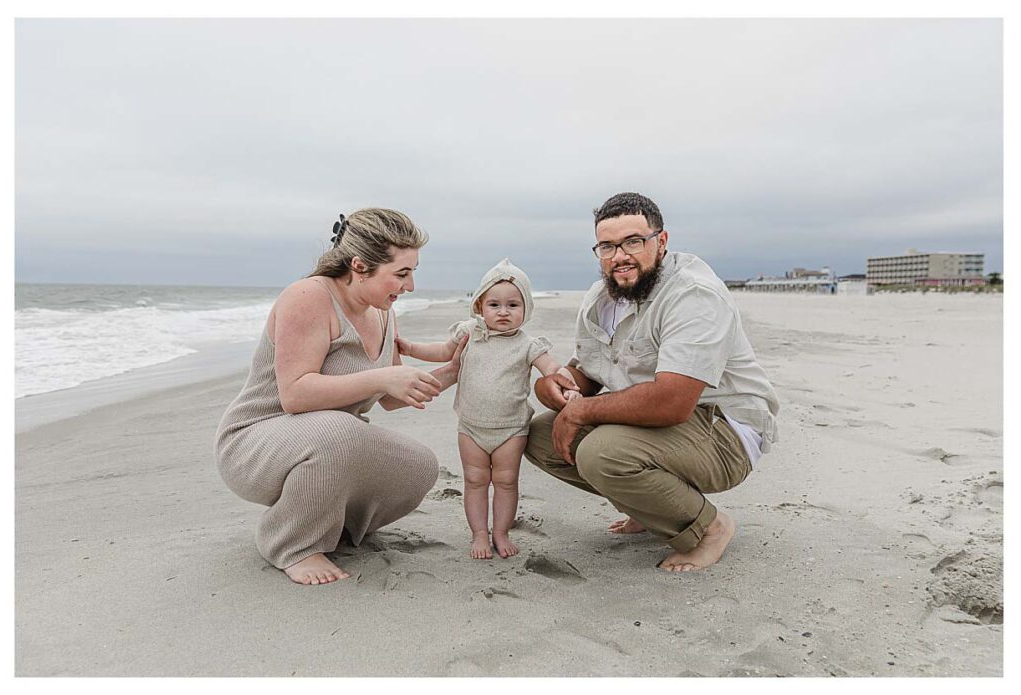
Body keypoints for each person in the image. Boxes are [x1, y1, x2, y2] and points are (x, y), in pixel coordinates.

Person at [524, 192, 780, 572]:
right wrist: (553, 385)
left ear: (661, 242)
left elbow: (672, 402)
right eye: (607, 246)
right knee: (538, 436)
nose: (619, 256)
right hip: (661, 423)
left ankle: (710, 528)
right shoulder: (602, 297)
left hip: (724, 427)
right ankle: (647, 508)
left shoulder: (693, 294)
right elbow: (590, 374)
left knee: (602, 453)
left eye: (633, 242)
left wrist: (581, 410)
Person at [215, 208, 465, 586]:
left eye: (413, 272)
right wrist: (383, 375)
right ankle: (291, 543)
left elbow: (392, 397)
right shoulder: (308, 296)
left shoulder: (382, 311)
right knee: (341, 432)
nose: (410, 286)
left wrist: (455, 370)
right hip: (255, 441)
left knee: (420, 466)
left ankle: (335, 525)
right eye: (401, 274)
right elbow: (295, 394)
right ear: (360, 266)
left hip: (331, 440)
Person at [397, 258, 579, 560]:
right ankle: (480, 533)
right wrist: (412, 348)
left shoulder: (528, 344)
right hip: (471, 427)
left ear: (526, 309)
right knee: (475, 480)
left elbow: (553, 369)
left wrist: (569, 385)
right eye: (494, 304)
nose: (503, 312)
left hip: (511, 430)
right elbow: (442, 352)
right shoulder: (469, 333)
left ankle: (501, 532)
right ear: (480, 305)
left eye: (513, 305)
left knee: (506, 482)